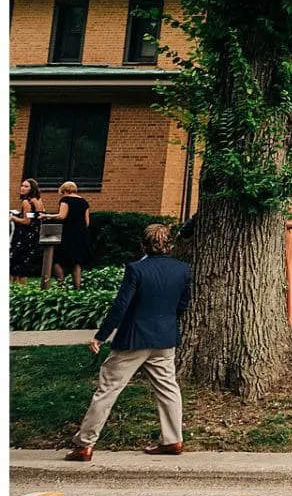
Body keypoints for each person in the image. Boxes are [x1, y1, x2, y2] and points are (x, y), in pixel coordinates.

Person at [67, 223, 191, 461]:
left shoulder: (136, 269)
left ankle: (85, 443)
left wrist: (101, 335)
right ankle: (173, 439)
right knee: (168, 389)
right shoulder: (183, 270)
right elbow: (183, 304)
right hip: (165, 338)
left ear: (143, 245)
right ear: (171, 245)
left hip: (133, 338)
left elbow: (121, 306)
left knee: (108, 389)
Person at [51, 182, 92, 289]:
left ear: (64, 190)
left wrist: (47, 216)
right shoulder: (84, 202)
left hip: (68, 234)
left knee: (56, 260)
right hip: (81, 235)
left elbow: (62, 216)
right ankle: (77, 288)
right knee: (76, 262)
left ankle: (61, 285)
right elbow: (87, 222)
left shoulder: (65, 200)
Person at [11, 179, 43, 279]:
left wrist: (14, 218)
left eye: (26, 186)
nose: (22, 188)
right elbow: (39, 215)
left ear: (32, 188)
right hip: (34, 234)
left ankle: (15, 286)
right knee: (25, 263)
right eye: (22, 186)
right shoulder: (38, 200)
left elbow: (26, 221)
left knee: (15, 262)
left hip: (24, 235)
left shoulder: (26, 201)